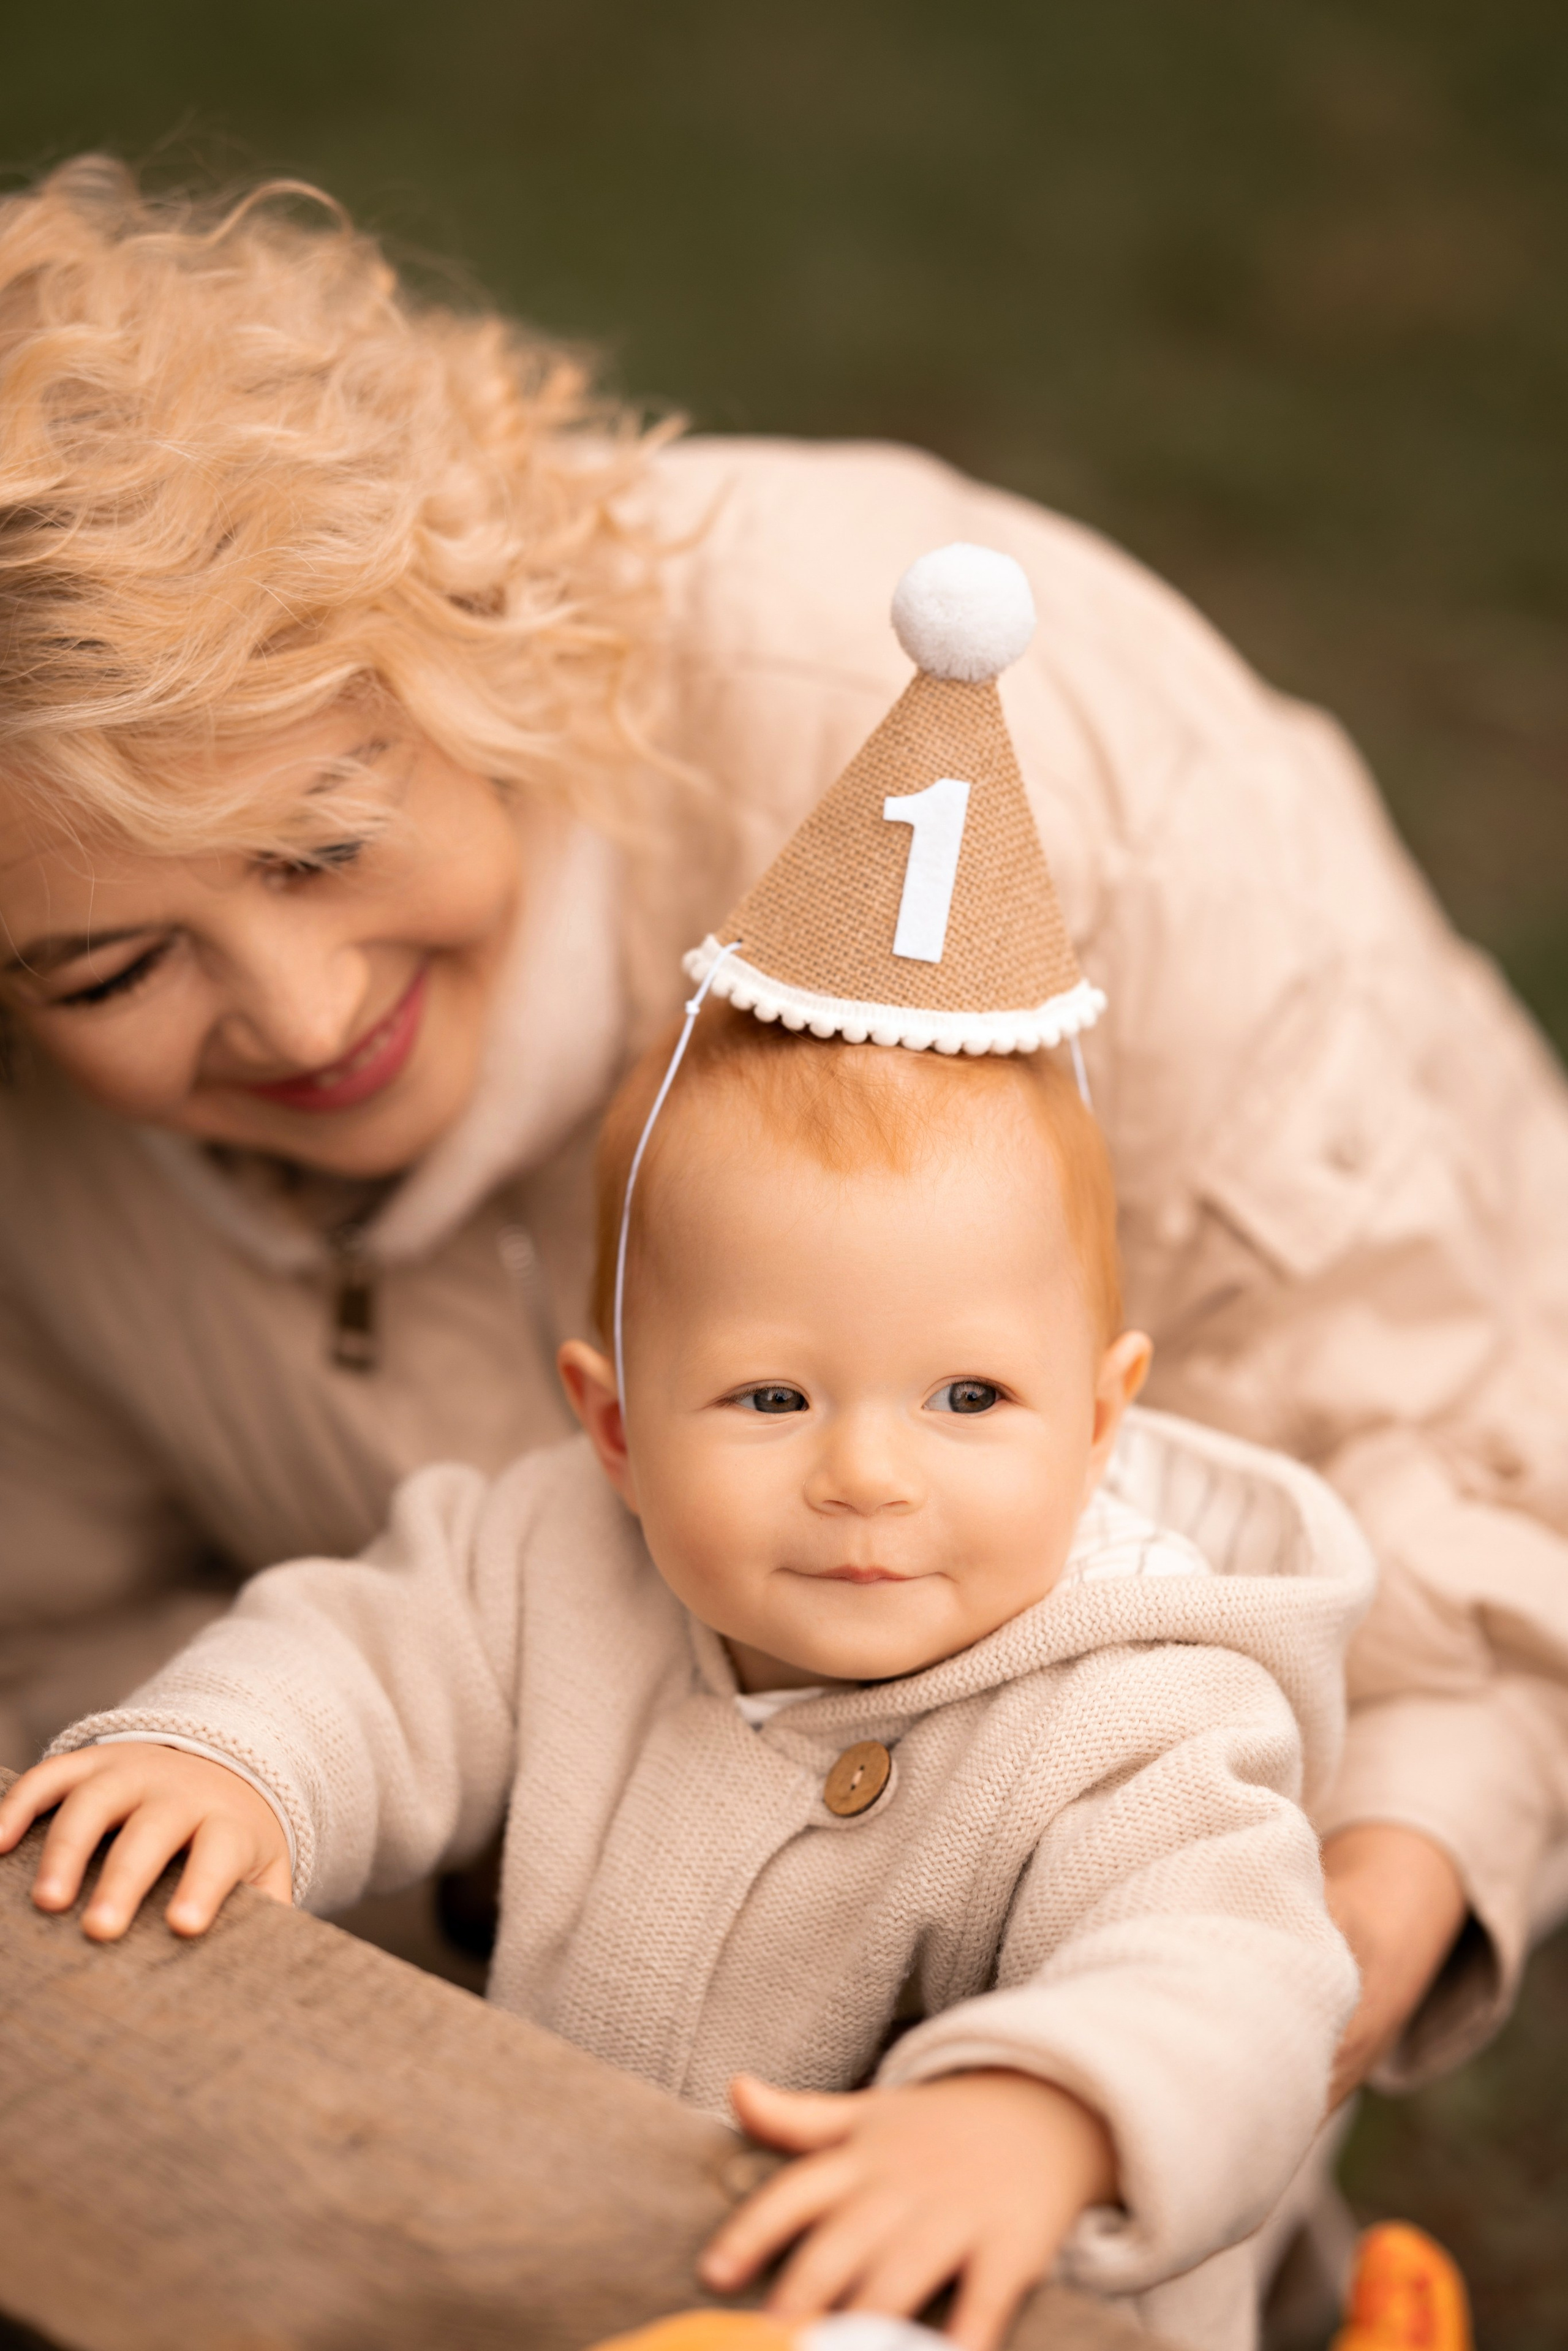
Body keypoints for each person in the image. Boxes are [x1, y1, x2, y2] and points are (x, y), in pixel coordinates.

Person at [1, 154, 1566, 2132]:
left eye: (322, 833)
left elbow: (1448, 1390)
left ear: (463, 646)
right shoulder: (113, 1232)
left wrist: (1336, 1919)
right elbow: (101, 1623)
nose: (302, 1015)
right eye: (111, 963)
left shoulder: (1013, 748)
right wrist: (345, 1802)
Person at [0, 948, 1371, 2351]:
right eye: (770, 1393)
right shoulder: (552, 1551)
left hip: (949, 2305)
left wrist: (1046, 2114)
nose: (865, 1474)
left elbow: (1230, 1965)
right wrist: (226, 1755)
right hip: (566, 2246)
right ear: (615, 1427)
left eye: (968, 1393)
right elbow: (366, 1655)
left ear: (1096, 1423)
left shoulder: (1142, 1708)